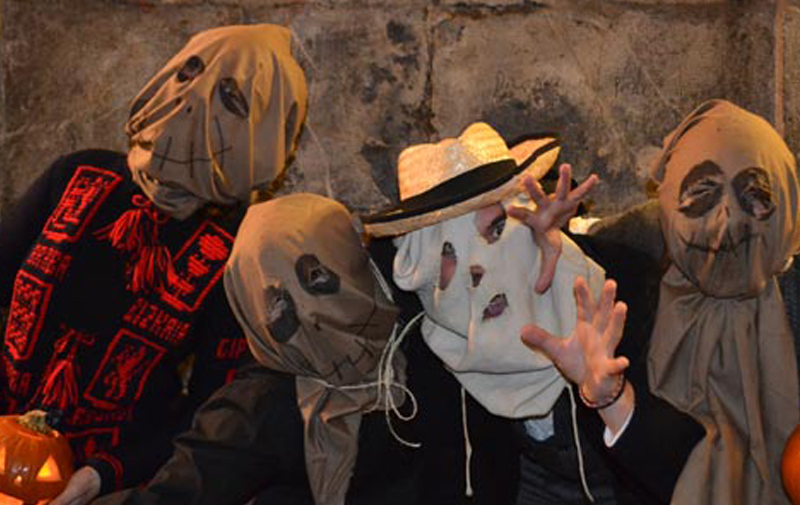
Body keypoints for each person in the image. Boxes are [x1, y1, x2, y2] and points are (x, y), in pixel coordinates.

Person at [0, 23, 308, 505]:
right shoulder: (76, 175)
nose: (191, 105)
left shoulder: (238, 251)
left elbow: (212, 415)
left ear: (264, 129)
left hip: (106, 480)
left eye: (231, 100)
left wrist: (103, 475)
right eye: (188, 75)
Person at [91, 192, 521, 505]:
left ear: (349, 258)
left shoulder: (423, 310)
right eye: (278, 308)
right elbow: (180, 490)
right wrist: (97, 476)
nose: (309, 316)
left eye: (318, 280)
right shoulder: (265, 405)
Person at [517, 100, 799, 504]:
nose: (726, 221)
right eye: (702, 192)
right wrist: (547, 246)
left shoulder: (791, 297)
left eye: (754, 194)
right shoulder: (629, 282)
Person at [361, 122, 627, 504]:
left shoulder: (617, 295)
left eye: (497, 229)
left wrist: (612, 398)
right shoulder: (433, 350)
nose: (477, 267)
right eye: (449, 251)